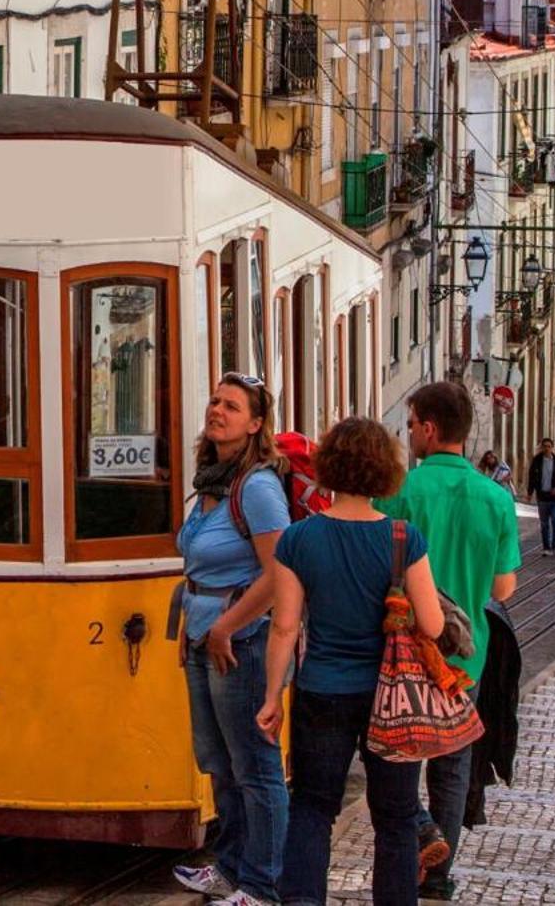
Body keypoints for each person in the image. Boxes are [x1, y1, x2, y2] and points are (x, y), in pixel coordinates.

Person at [260, 418, 445, 906]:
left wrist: (271, 696)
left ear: (329, 467)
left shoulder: (299, 540)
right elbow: (433, 624)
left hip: (322, 690)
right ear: (385, 470)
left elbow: (284, 627)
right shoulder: (405, 539)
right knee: (398, 818)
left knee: (312, 809)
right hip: (393, 700)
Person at [375, 381, 520, 900]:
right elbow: (503, 588)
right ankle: (439, 875)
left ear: (429, 429)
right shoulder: (496, 497)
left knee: (396, 761)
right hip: (467, 657)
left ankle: (416, 843)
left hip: (405, 652)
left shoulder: (402, 491)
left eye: (411, 424)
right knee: (453, 768)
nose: (409, 433)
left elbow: (378, 565)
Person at [171, 373, 291, 905]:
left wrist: (226, 625)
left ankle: (261, 885)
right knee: (219, 762)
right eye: (215, 400)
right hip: (203, 637)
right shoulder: (210, 483)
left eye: (232, 406)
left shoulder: (259, 488)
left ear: (256, 424)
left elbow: (279, 573)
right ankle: (230, 867)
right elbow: (197, 563)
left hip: (241, 643)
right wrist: (192, 626)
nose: (217, 410)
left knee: (256, 767)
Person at [527, 439, 555, 557]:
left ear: (552, 448)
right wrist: (529, 493)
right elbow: (531, 478)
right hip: (542, 497)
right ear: (541, 448)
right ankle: (546, 547)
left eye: (549, 446)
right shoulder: (536, 461)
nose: (546, 448)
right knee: (544, 524)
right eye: (544, 446)